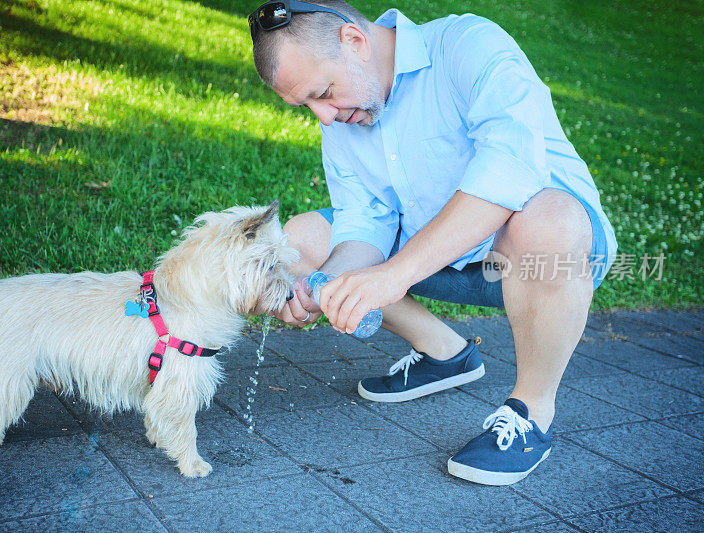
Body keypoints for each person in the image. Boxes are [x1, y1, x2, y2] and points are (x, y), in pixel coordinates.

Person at [248, 0, 617, 485]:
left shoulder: (469, 45)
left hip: (541, 255)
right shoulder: (348, 113)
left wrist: (392, 276)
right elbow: (364, 222)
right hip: (440, 260)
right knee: (301, 242)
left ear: (355, 42)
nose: (323, 117)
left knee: (547, 215)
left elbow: (510, 173)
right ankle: (446, 353)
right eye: (307, 106)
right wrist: (327, 284)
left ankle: (531, 412)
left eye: (323, 93)